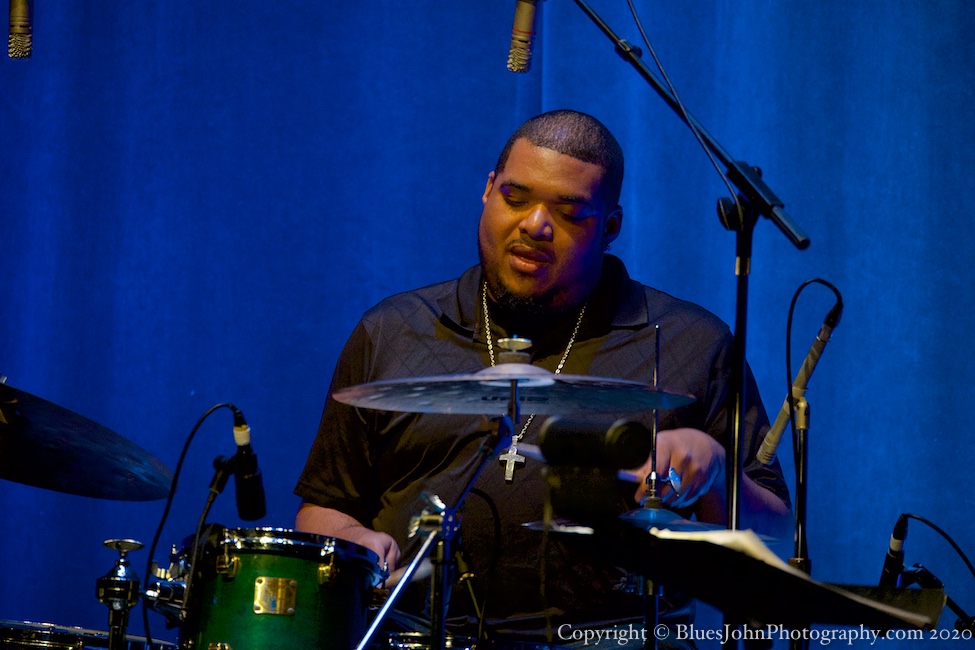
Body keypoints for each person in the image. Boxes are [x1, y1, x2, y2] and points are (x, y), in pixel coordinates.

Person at [294, 109, 791, 648]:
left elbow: (776, 538)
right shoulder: (392, 332)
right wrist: (354, 543)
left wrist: (716, 470)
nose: (535, 225)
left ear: (610, 228)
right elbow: (326, 507)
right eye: (516, 197)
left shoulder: (687, 343)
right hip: (417, 636)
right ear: (487, 190)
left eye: (569, 211)